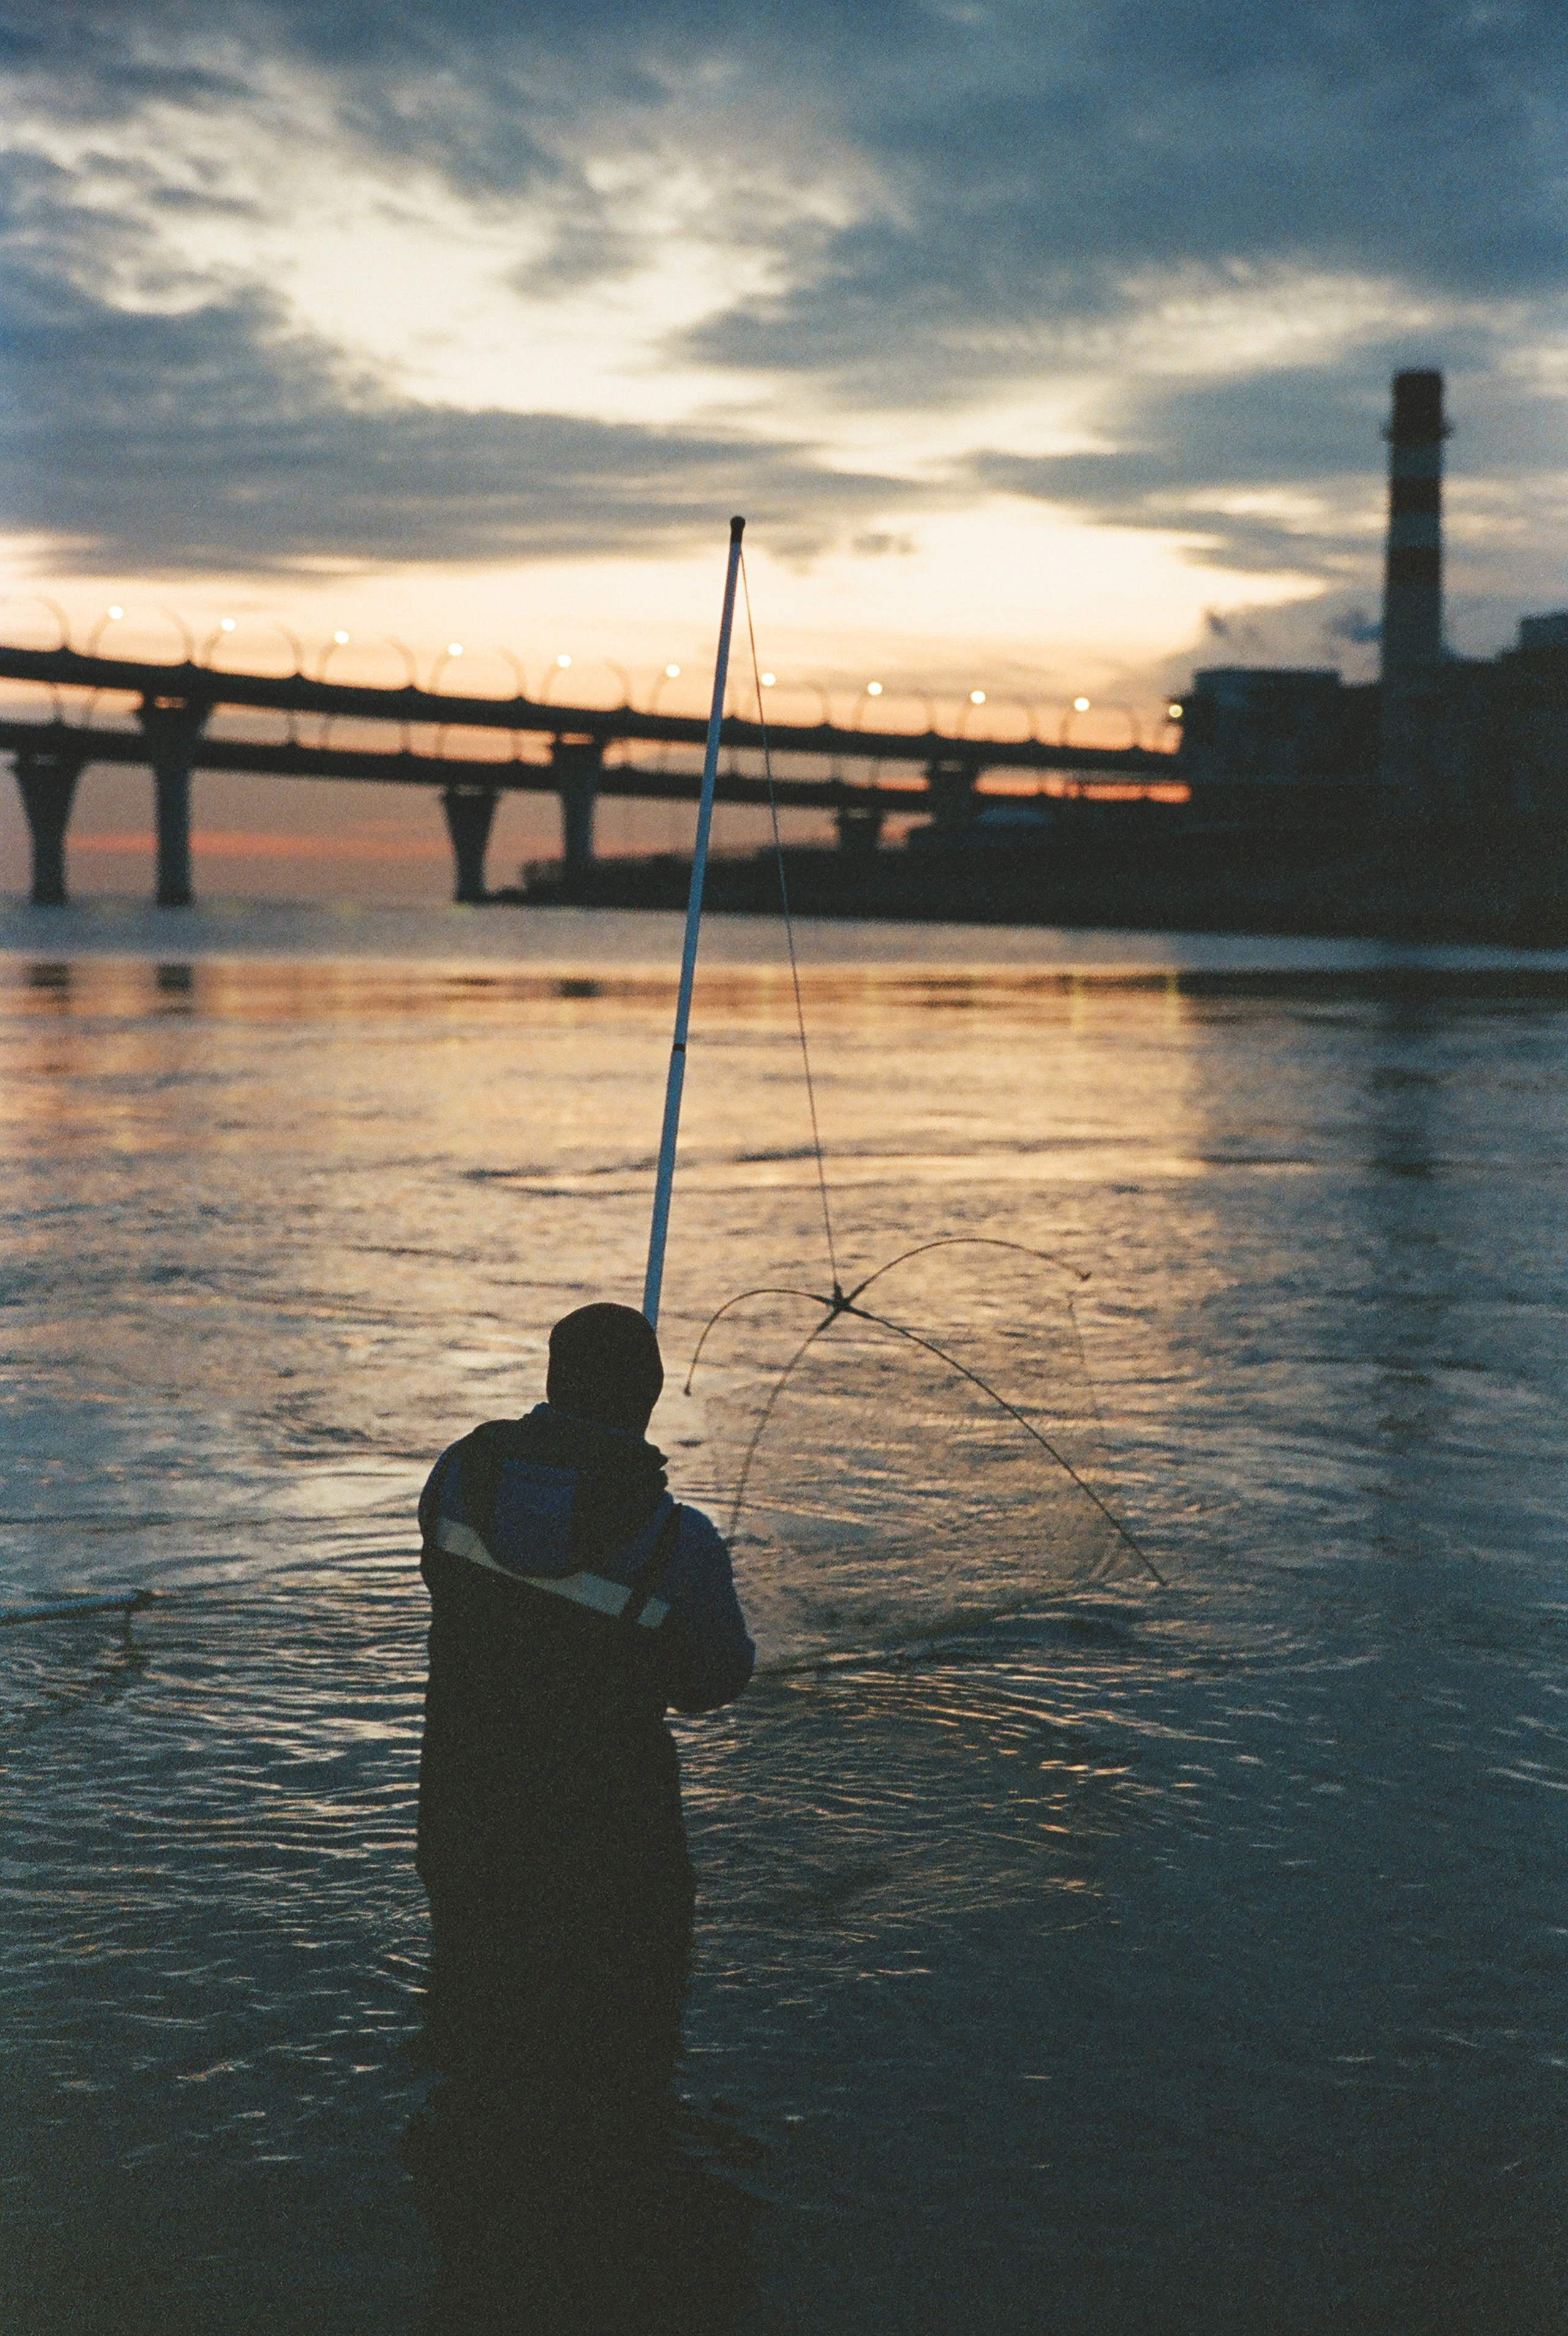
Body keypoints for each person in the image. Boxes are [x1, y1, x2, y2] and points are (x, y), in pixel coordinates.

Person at [407, 1300, 756, 2327]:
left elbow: (445, 1571)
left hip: (463, 1816)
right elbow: (716, 1680)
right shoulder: (673, 1541)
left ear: (552, 1381)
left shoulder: (455, 1477)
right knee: (616, 2074)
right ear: (648, 1399)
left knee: (482, 2035)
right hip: (613, 1852)